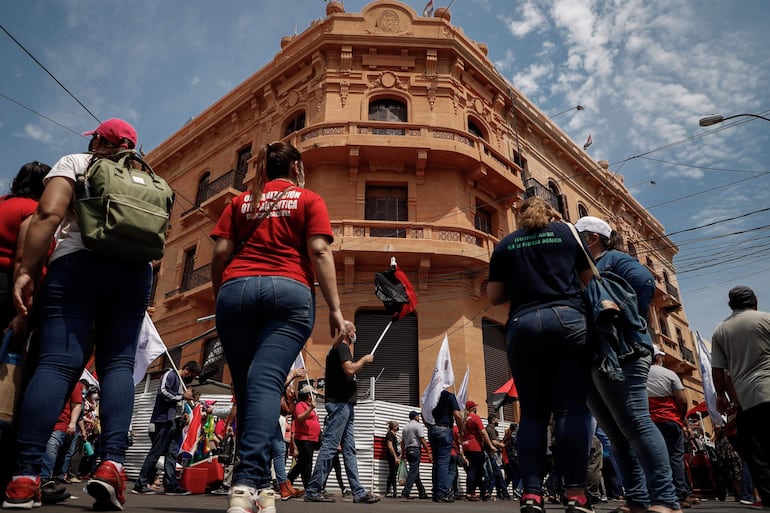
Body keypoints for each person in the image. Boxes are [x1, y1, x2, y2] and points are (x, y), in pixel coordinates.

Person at [3, 119, 154, 512]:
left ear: (101, 142)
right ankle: (112, 466)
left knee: (55, 364)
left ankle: (24, 477)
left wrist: (26, 272)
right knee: (118, 365)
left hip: (78, 266)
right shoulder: (146, 179)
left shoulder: (76, 162)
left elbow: (47, 215)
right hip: (135, 274)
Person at [210, 140, 348, 513]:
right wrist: (336, 309)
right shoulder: (308, 199)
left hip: (235, 291)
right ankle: (249, 484)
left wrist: (219, 291)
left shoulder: (239, 202)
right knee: (265, 384)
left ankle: (258, 486)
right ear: (297, 168)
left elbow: (221, 252)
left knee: (248, 388)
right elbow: (319, 250)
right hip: (289, 291)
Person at [487, 196, 594, 513]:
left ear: (518, 216)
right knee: (571, 409)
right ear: (552, 212)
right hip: (569, 320)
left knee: (533, 413)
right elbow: (589, 281)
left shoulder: (506, 244)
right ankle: (575, 493)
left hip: (522, 326)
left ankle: (531, 494)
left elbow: (494, 297)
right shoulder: (567, 233)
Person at [575, 215, 682, 513]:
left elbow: (644, 280)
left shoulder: (614, 259)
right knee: (615, 430)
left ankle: (666, 500)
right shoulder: (585, 268)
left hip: (624, 350)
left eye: (577, 236)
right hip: (596, 353)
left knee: (636, 421)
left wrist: (625, 317)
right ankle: (636, 498)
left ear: (592, 239)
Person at [303, 323, 379, 504]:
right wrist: (364, 360)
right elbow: (350, 369)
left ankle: (358, 492)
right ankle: (313, 489)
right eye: (354, 330)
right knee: (330, 446)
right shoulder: (343, 348)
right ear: (348, 332)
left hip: (345, 406)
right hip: (340, 406)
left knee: (349, 450)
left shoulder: (336, 349)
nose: (356, 334)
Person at [711, 286, 770, 508]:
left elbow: (717, 369)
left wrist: (721, 395)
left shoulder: (721, 330)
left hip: (748, 399)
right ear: (754, 302)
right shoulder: (766, 319)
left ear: (731, 305)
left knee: (755, 451)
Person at [133, 361, 200, 497]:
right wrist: (182, 396)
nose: (191, 378)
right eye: (192, 374)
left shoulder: (182, 382)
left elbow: (178, 402)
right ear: (186, 369)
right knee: (156, 453)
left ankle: (171, 485)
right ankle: (140, 484)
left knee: (172, 454)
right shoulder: (170, 374)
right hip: (163, 421)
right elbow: (163, 392)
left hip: (174, 422)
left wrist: (184, 413)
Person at [647, 348, 695, 508]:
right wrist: (682, 420)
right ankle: (681, 495)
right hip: (670, 420)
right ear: (658, 358)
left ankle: (661, 495)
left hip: (649, 422)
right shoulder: (669, 374)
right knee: (675, 457)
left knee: (655, 459)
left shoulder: (640, 375)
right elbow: (682, 401)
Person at [429, 389, 463, 503]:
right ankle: (441, 493)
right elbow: (457, 415)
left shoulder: (432, 394)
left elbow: (425, 413)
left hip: (432, 429)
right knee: (443, 463)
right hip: (444, 428)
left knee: (437, 462)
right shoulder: (449, 395)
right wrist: (461, 431)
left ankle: (436, 492)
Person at [287, 384, 321, 492]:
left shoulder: (309, 405)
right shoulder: (301, 405)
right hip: (304, 438)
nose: (314, 396)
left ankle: (289, 479)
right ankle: (307, 486)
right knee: (306, 463)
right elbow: (300, 418)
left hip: (311, 439)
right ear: (308, 395)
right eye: (313, 394)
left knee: (303, 462)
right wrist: (310, 408)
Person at [460, 401, 494, 501]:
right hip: (475, 447)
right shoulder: (475, 418)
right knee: (473, 470)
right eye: (475, 407)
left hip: (467, 447)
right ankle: (469, 493)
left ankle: (483, 492)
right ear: (473, 408)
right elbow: (483, 433)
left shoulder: (464, 419)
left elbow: (461, 435)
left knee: (478, 470)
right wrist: (490, 446)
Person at [399, 410, 430, 500]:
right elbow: (422, 440)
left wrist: (403, 453)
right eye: (418, 416)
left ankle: (422, 493)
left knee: (415, 472)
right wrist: (428, 452)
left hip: (408, 450)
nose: (419, 417)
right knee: (413, 472)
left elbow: (402, 442)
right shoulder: (418, 426)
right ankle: (405, 492)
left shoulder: (405, 427)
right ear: (416, 417)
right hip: (415, 449)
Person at [484, 412, 510, 500]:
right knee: (497, 474)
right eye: (496, 419)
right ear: (492, 420)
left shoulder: (490, 429)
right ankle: (504, 493)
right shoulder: (490, 430)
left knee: (494, 475)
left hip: (493, 455)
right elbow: (494, 442)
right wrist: (502, 445)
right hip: (492, 455)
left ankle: (488, 492)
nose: (497, 421)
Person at [384, 421, 401, 498]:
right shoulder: (390, 435)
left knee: (393, 473)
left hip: (396, 456)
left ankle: (393, 491)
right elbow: (390, 446)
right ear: (393, 427)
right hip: (392, 456)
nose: (398, 427)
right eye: (397, 426)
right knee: (392, 473)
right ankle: (390, 491)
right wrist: (395, 457)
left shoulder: (395, 435)